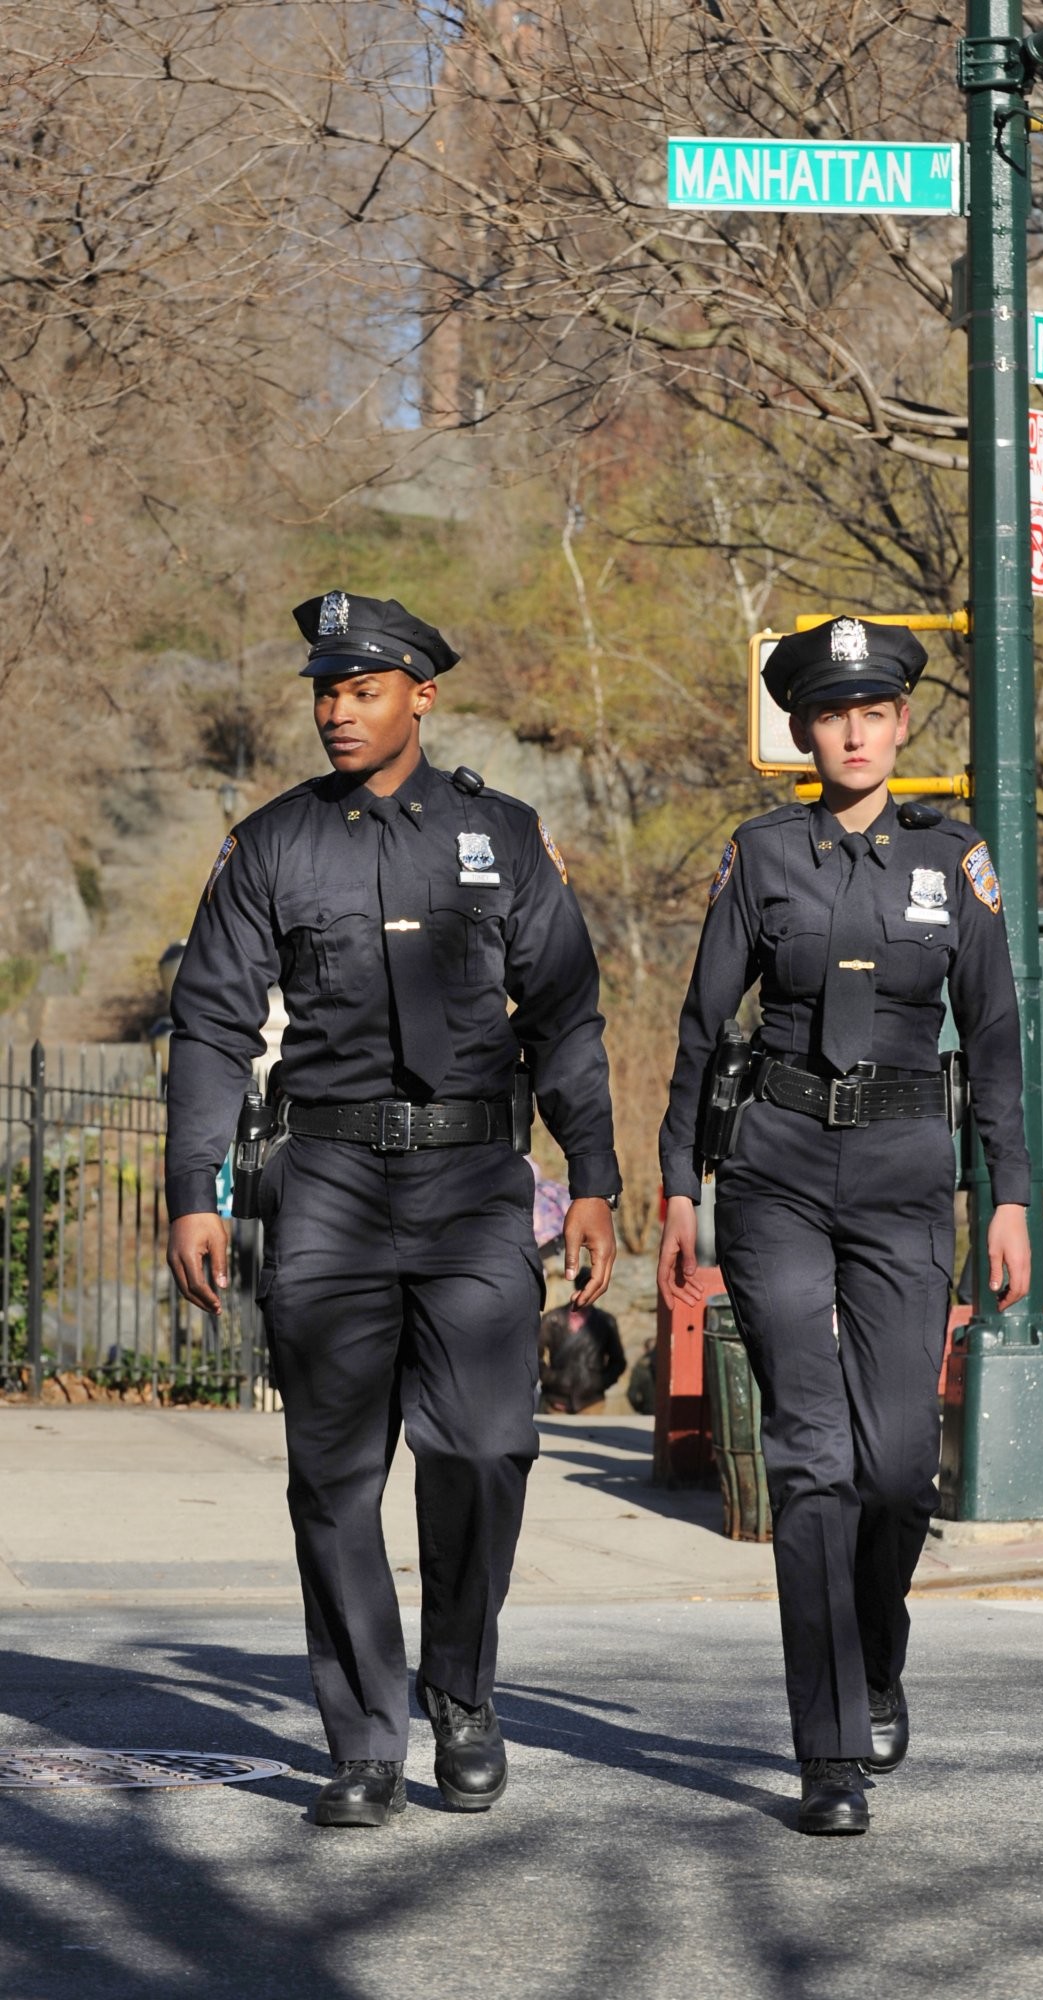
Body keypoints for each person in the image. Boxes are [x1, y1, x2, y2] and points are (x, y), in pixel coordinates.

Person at [166, 590, 620, 1828]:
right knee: (334, 1473)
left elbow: (564, 1014)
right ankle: (363, 1736)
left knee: (485, 1446)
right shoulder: (271, 844)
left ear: (421, 695)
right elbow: (209, 1022)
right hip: (325, 1184)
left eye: (363, 690)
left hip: (472, 1185)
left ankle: (460, 1690)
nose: (338, 711)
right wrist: (196, 1190)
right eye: (326, 690)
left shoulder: (501, 836)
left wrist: (592, 1175)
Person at [656, 617, 1030, 1836]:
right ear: (803, 732)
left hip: (906, 1173)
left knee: (898, 1467)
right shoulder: (761, 854)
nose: (855, 732)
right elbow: (702, 1024)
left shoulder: (953, 858)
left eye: (873, 711)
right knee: (810, 1458)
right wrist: (676, 1181)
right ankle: (827, 1752)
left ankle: (875, 1653)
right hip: (774, 1169)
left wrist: (1009, 1190)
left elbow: (994, 1035)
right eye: (831, 714)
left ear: (902, 723)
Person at [538, 1290, 626, 1413]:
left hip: (592, 1403)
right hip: (556, 1400)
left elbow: (618, 1362)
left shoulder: (605, 1321)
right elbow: (534, 1355)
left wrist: (598, 1383)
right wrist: (551, 1379)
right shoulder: (553, 1319)